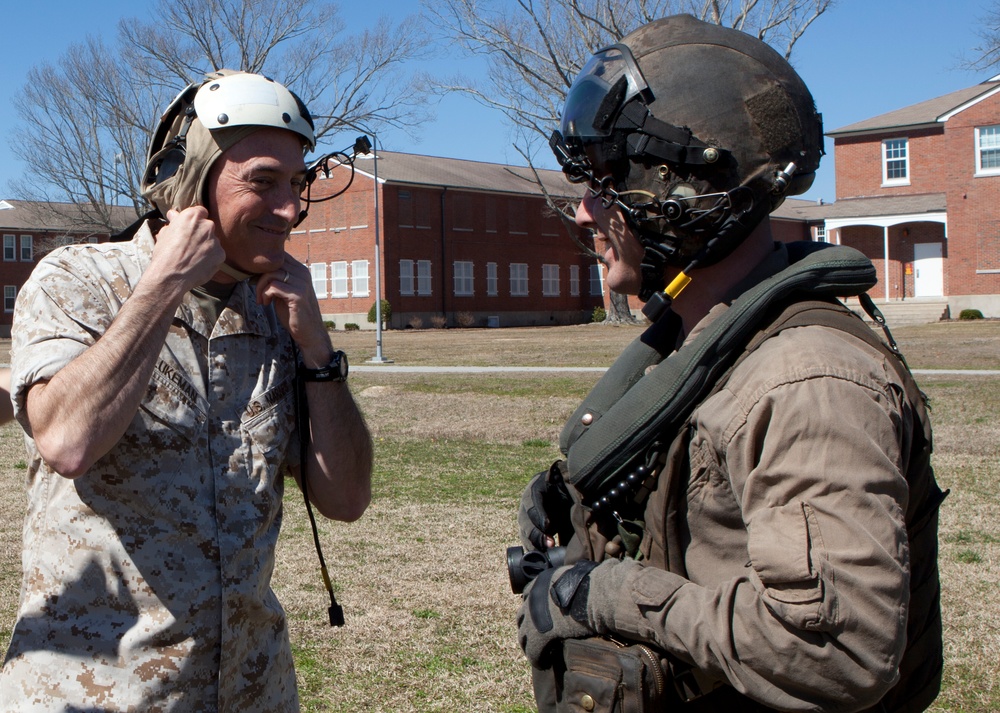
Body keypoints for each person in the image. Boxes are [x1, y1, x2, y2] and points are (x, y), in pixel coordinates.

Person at [516, 15, 946, 713]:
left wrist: (614, 595)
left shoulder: (808, 380)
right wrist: (580, 512)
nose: (584, 213)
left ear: (685, 193)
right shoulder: (708, 337)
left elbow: (837, 650)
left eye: (607, 182)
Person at [0, 70, 373, 711]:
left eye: (298, 182)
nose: (290, 209)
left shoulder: (278, 314)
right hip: (96, 694)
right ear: (190, 180)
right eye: (263, 181)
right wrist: (164, 283)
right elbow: (65, 440)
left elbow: (345, 498)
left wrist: (318, 350)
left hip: (253, 691)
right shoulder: (78, 282)